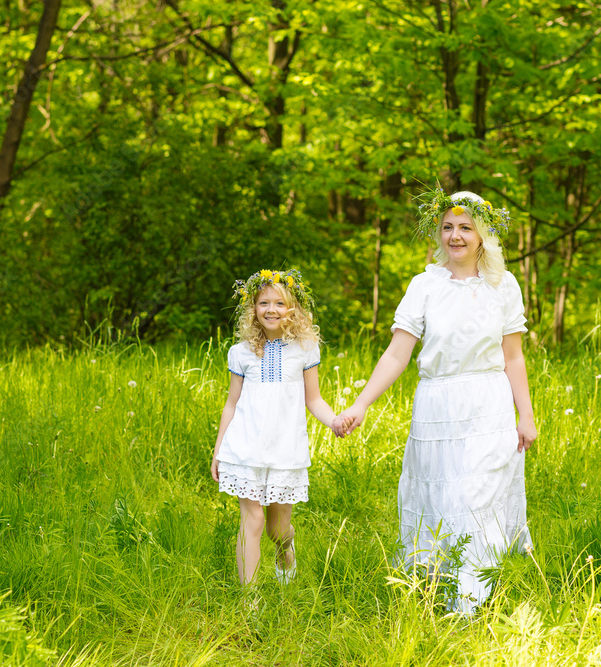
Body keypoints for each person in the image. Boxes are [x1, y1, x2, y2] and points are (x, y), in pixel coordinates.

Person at [334, 188, 537, 615]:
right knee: (441, 501)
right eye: (448, 227)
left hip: (488, 402)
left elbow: (514, 355)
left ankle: (470, 601)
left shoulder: (504, 285)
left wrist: (527, 415)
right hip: (438, 404)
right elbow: (397, 352)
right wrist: (361, 404)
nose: (456, 236)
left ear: (483, 234)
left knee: (475, 496)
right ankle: (433, 589)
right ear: (438, 232)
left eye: (466, 227)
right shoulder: (424, 285)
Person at [212, 269, 349, 585]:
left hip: (285, 448)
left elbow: (313, 400)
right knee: (253, 519)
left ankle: (285, 552)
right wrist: (218, 451)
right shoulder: (241, 352)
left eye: (279, 303)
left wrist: (335, 422)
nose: (270, 310)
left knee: (277, 529)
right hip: (244, 447)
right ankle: (250, 603)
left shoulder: (304, 349)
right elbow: (231, 404)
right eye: (263, 303)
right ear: (253, 308)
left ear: (293, 309)